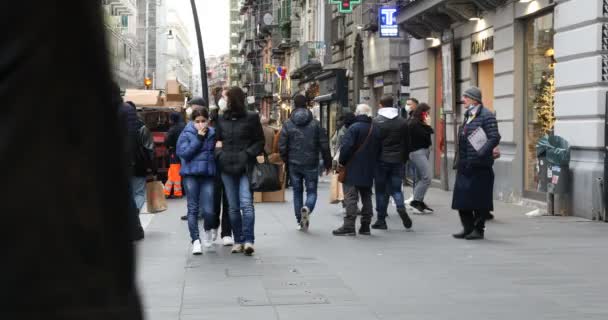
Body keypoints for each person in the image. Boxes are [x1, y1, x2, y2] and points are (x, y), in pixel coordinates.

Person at [215, 87, 265, 256]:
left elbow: (259, 141)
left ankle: (249, 240)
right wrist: (220, 155)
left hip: (245, 167)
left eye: (226, 98)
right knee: (233, 207)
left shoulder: (251, 117)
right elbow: (216, 141)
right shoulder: (221, 118)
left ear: (233, 99)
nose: (223, 101)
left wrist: (247, 154)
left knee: (246, 204)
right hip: (226, 167)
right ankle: (238, 240)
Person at [452, 87, 501, 240]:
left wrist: (482, 152)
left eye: (466, 97)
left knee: (479, 201)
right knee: (461, 200)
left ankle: (478, 230)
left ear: (474, 99)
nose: (463, 99)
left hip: (479, 165)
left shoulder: (486, 116)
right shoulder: (468, 115)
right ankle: (467, 228)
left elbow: (494, 137)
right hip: (465, 163)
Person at [279, 94, 332, 231]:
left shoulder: (287, 124)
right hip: (311, 162)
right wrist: (328, 163)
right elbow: (324, 144)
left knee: (297, 192)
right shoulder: (315, 124)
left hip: (293, 163)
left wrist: (286, 160)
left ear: (294, 105)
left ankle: (299, 220)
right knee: (312, 190)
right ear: (307, 104)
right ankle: (307, 207)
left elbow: (282, 146)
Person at [332, 104, 381, 236]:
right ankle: (365, 225)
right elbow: (380, 149)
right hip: (369, 167)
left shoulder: (354, 128)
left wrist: (341, 162)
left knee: (351, 197)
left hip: (352, 166)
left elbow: (346, 148)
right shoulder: (375, 128)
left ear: (358, 113)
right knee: (366, 196)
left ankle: (349, 226)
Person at [177, 107, 218, 254]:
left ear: (208, 121)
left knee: (208, 210)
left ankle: (207, 230)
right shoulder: (186, 133)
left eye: (203, 121)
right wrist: (199, 139)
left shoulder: (212, 134)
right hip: (190, 174)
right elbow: (184, 153)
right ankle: (195, 240)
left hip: (207, 174)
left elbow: (214, 153)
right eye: (197, 121)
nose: (201, 124)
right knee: (193, 209)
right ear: (192, 121)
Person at [371, 95, 413, 231]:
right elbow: (407, 143)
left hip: (380, 161)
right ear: (393, 105)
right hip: (398, 160)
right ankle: (400, 207)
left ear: (381, 105)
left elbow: (374, 143)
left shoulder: (376, 121)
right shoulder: (402, 122)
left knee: (381, 191)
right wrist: (404, 158)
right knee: (396, 188)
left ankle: (381, 220)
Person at [210, 108, 234, 246]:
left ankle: (226, 232)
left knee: (227, 201)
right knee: (216, 200)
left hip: (227, 167)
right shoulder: (210, 131)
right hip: (215, 169)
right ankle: (217, 228)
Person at [407, 103, 435, 214]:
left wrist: (427, 125)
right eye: (427, 112)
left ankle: (420, 203)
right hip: (417, 152)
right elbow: (424, 135)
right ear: (422, 112)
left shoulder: (419, 122)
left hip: (423, 151)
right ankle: (415, 202)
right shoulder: (413, 123)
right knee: (427, 177)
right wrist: (428, 125)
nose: (428, 115)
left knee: (420, 178)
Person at [164, 112, 186, 199]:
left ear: (172, 120)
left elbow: (167, 140)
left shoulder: (173, 129)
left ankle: (175, 192)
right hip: (184, 151)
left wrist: (168, 146)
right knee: (176, 171)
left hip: (174, 152)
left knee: (174, 171)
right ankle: (170, 191)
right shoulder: (184, 126)